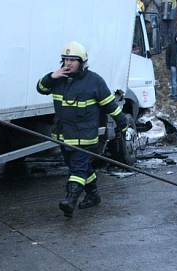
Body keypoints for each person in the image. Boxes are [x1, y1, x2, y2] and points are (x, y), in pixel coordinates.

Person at [36, 41, 128, 217]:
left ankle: (70, 200)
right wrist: (51, 76)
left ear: (82, 62)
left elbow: (110, 104)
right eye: (65, 59)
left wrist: (121, 122)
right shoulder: (57, 79)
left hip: (85, 138)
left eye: (73, 59)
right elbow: (41, 88)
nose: (68, 63)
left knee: (77, 170)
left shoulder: (94, 81)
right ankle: (93, 195)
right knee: (82, 168)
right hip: (63, 136)